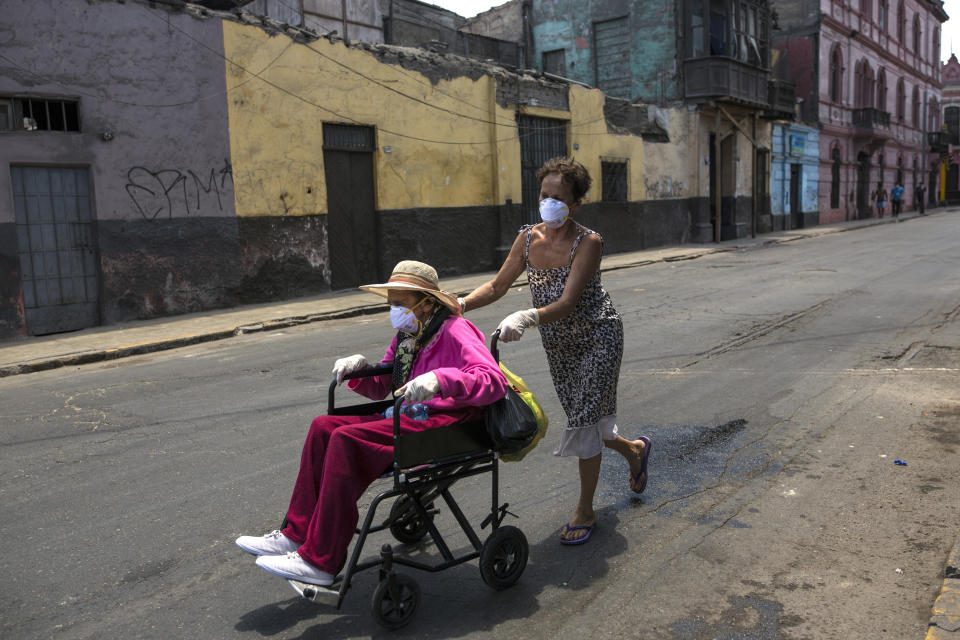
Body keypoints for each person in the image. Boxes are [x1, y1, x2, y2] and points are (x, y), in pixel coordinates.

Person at [236, 260, 508, 585]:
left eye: (400, 304)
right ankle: (295, 534)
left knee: (346, 441)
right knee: (323, 427)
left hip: (448, 423)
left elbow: (493, 381)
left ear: (427, 302)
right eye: (391, 303)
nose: (394, 310)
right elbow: (384, 386)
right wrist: (360, 369)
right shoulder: (408, 337)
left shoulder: (455, 329)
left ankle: (320, 561)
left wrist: (442, 379)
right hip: (409, 417)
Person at [459, 157, 651, 546]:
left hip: (598, 334)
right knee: (590, 423)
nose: (549, 204)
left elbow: (566, 302)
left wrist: (526, 317)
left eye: (558, 198)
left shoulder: (588, 242)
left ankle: (585, 509)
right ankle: (633, 450)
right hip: (559, 343)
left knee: (583, 420)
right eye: (544, 195)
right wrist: (459, 304)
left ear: (576, 204)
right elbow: (497, 287)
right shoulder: (528, 239)